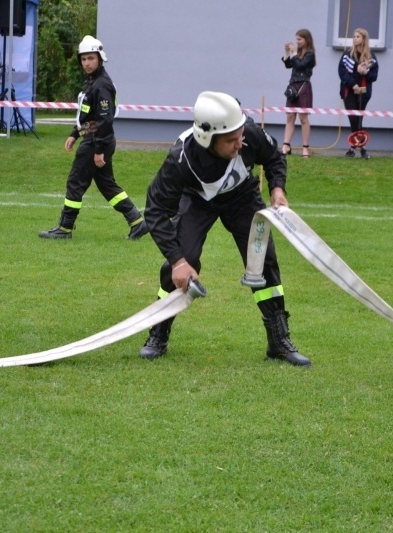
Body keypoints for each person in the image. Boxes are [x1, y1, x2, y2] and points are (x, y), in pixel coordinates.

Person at [138, 91, 311, 367]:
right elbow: (155, 210)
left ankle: (278, 342)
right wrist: (178, 262)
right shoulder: (180, 159)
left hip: (243, 198)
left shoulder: (248, 134)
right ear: (207, 138)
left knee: (263, 260)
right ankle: (159, 332)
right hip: (197, 201)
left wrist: (277, 188)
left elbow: (274, 157)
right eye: (231, 140)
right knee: (182, 259)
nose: (239, 143)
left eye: (240, 135)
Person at [39, 36, 148, 241]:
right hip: (97, 140)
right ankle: (137, 222)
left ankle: (65, 228)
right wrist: (74, 133)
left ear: (99, 58)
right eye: (83, 59)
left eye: (90, 58)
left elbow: (104, 121)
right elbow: (89, 116)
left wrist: (98, 150)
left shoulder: (101, 85)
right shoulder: (93, 82)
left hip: (96, 142)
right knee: (107, 186)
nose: (87, 63)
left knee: (75, 182)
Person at [338, 28, 379, 160]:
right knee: (353, 118)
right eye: (354, 36)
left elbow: (374, 76)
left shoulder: (371, 57)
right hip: (349, 91)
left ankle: (353, 148)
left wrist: (366, 72)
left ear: (364, 39)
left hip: (363, 93)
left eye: (358, 37)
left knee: (359, 119)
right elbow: (341, 73)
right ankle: (362, 148)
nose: (355, 38)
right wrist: (353, 85)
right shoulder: (347, 55)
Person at [281, 29, 316, 158]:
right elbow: (289, 65)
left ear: (306, 39)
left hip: (304, 86)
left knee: (303, 118)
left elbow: (301, 65)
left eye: (300, 39)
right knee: (290, 116)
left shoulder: (310, 54)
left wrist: (294, 53)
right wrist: (286, 52)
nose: (297, 42)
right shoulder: (298, 52)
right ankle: (286, 145)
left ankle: (305, 148)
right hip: (293, 85)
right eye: (296, 39)